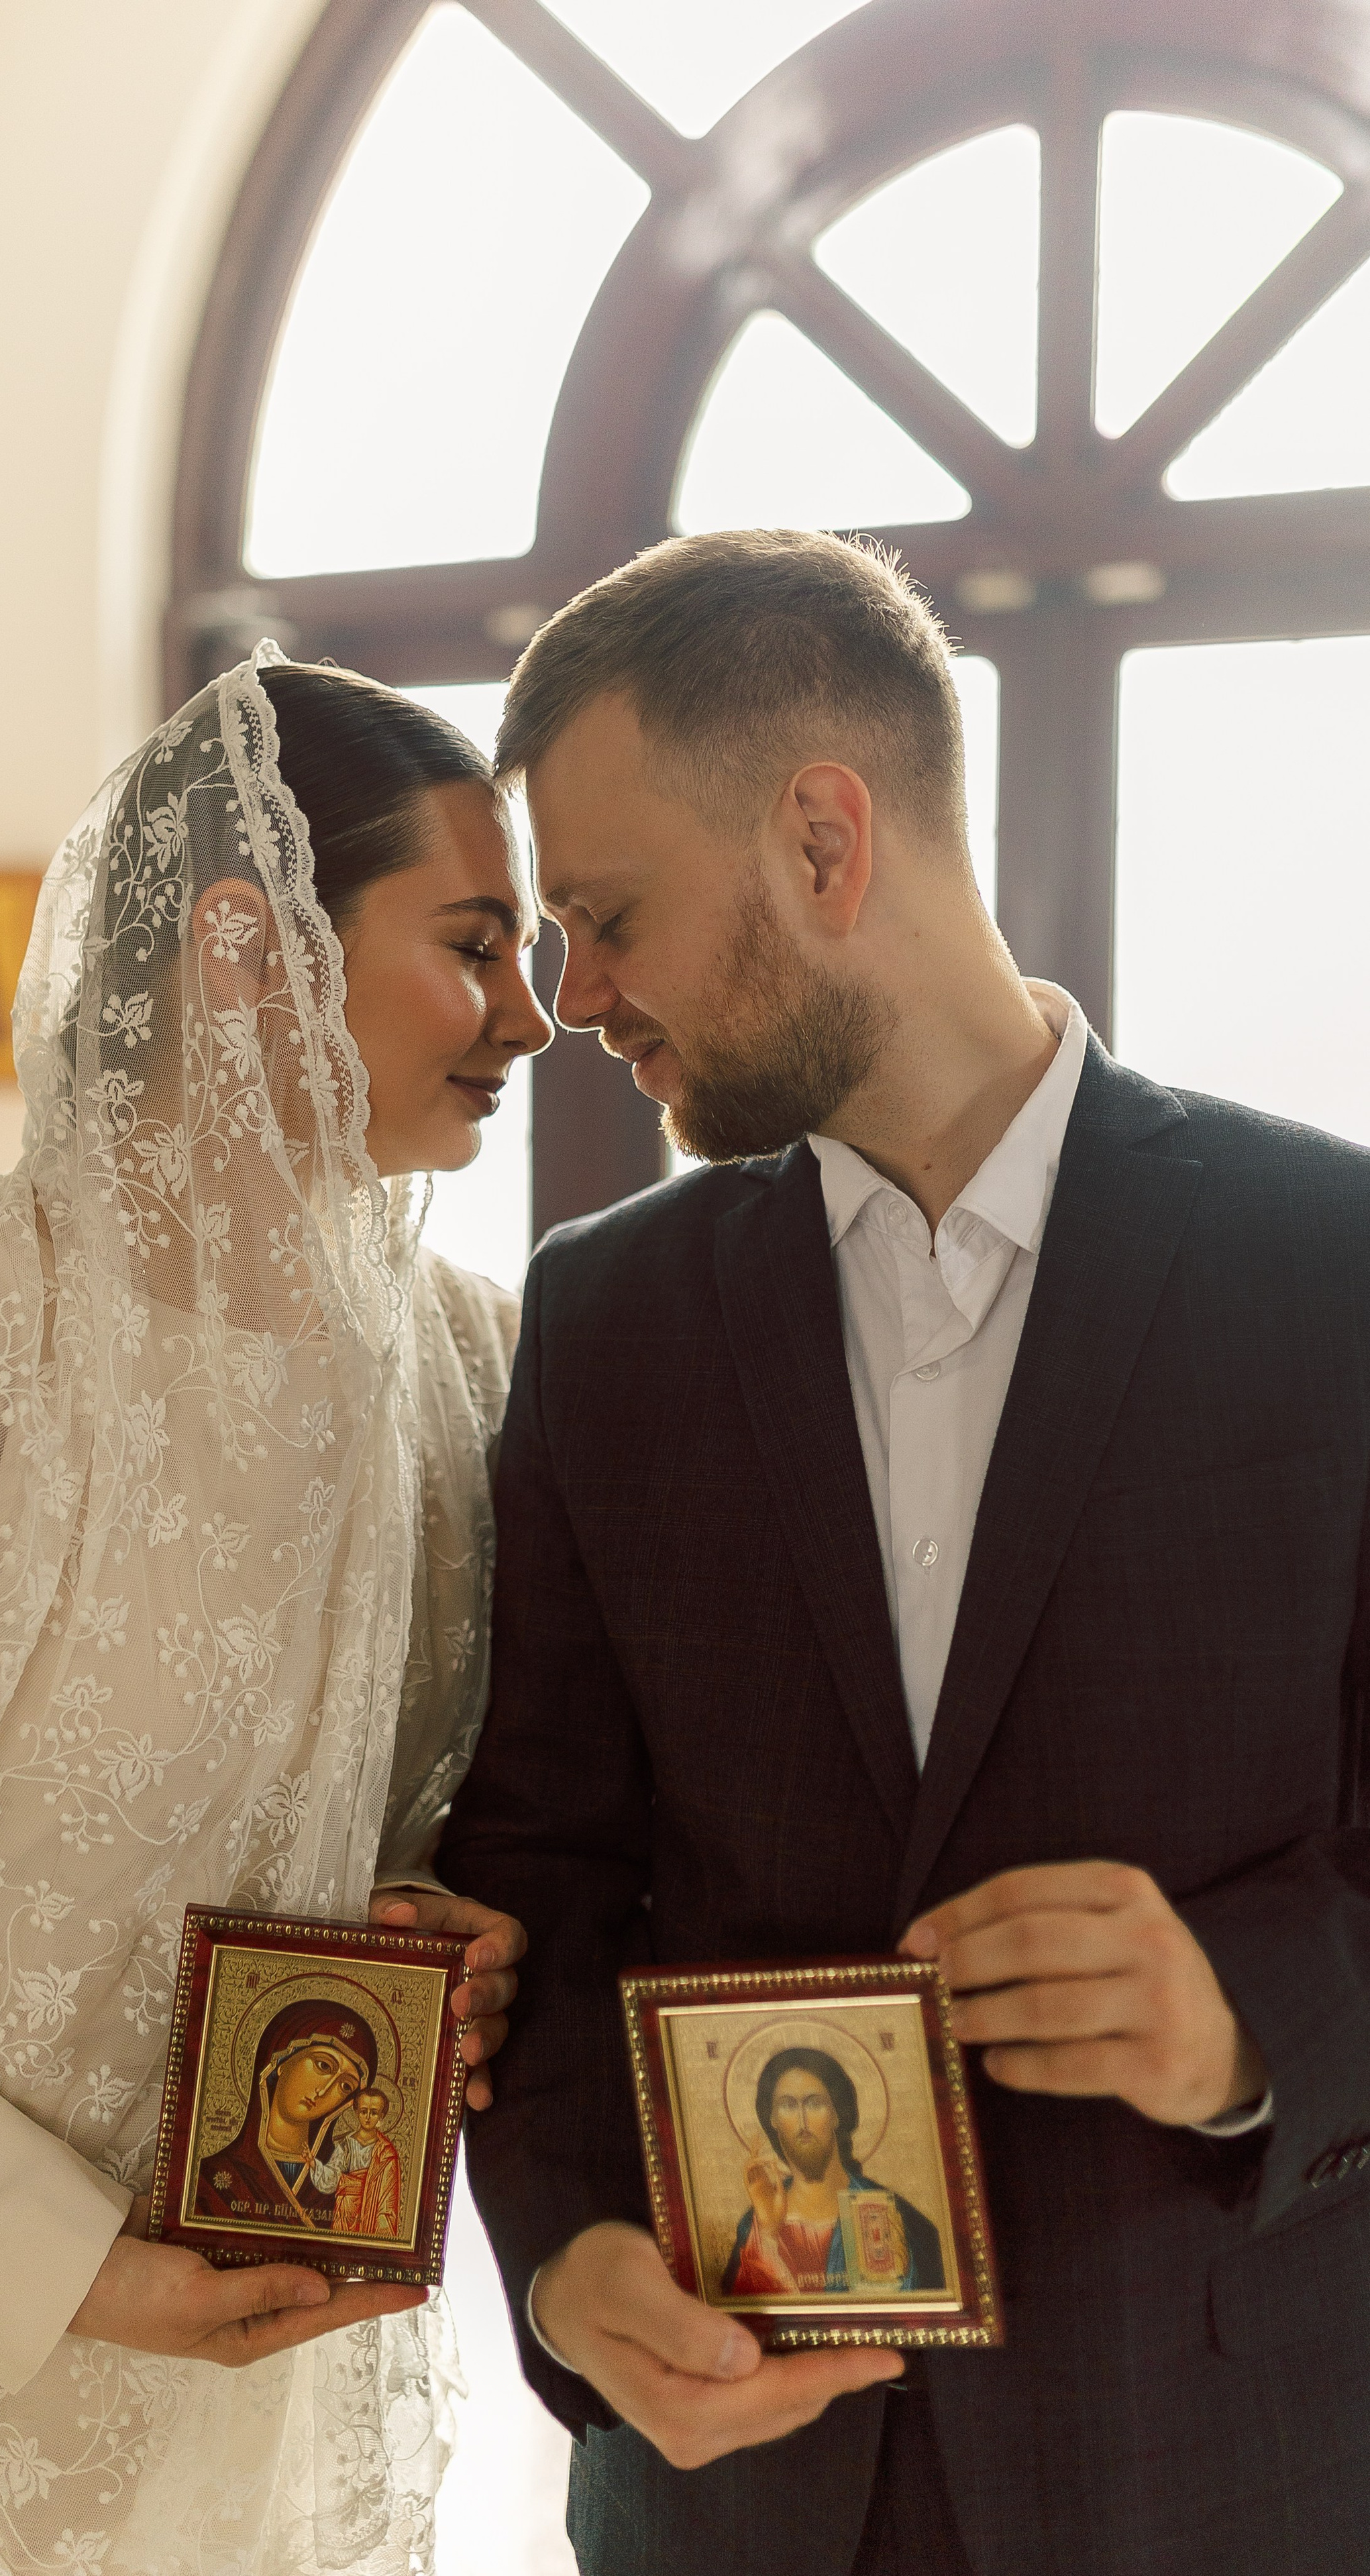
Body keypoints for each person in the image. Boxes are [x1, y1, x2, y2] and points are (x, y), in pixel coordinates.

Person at [441, 528, 1370, 2576]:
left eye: (605, 919)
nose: (569, 996)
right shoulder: (605, 1323)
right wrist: (574, 2253)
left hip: (1230, 2480)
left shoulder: (1336, 1272)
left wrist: (1241, 2021)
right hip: (732, 2503)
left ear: (822, 838)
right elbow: (534, 1882)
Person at [0, 647, 551, 2576]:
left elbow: (483, 1831)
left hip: (290, 2368)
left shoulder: (477, 1376)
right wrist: (79, 2271)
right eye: (476, 945)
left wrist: (471, 1929)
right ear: (244, 944)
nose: (532, 1017)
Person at [722, 2048, 943, 2298]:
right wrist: (767, 2234)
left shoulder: (890, 2213)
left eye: (815, 2103)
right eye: (788, 2105)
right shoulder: (755, 2225)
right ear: (772, 2118)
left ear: (837, 2114)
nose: (802, 2121)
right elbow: (739, 2317)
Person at [193, 2000, 374, 2229]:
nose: (324, 2090)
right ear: (282, 2062)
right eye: (323, 2065)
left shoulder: (337, 2190)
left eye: (345, 2087)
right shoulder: (211, 2179)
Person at [330, 2088, 403, 2239]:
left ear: (382, 2116)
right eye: (364, 2111)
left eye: (374, 2113)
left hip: (370, 2215)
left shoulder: (387, 2154)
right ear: (356, 2112)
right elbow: (332, 2176)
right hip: (345, 2212)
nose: (368, 2117)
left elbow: (388, 2200)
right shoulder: (346, 2144)